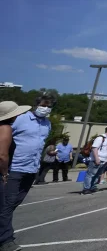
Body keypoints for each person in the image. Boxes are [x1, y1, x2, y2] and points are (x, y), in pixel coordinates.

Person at [1, 94, 52, 251]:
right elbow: (5, 138)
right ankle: (5, 240)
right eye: (43, 105)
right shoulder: (20, 119)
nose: (46, 108)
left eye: (49, 106)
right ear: (36, 105)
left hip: (32, 168)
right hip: (15, 167)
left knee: (14, 202)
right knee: (7, 204)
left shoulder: (47, 124)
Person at [0, 101, 32, 251]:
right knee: (3, 207)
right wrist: (4, 173)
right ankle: (5, 240)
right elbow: (2, 155)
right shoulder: (5, 128)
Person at [81, 125, 107, 194]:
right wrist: (96, 158)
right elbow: (94, 148)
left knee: (97, 174)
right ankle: (86, 188)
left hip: (105, 160)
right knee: (90, 174)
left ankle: (93, 187)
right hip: (97, 159)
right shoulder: (100, 138)